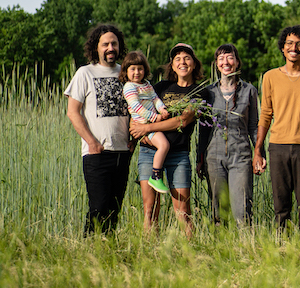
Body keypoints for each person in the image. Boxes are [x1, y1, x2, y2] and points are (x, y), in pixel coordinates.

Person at [253, 26, 300, 230]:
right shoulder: (270, 77)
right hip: (277, 147)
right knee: (281, 205)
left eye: (299, 44)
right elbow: (265, 114)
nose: (294, 47)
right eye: (289, 43)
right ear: (282, 48)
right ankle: (281, 248)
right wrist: (258, 149)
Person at [129, 43, 207, 237]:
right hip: (149, 152)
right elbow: (137, 105)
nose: (182, 62)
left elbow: (183, 120)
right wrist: (137, 129)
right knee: (150, 210)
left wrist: (147, 128)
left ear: (194, 64)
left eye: (187, 58)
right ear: (172, 66)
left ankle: (191, 255)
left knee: (183, 212)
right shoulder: (160, 87)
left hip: (178, 155)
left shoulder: (200, 92)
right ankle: (149, 253)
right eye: (177, 59)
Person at [65, 23, 132, 235]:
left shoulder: (127, 73)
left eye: (114, 43)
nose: (110, 48)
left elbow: (139, 108)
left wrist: (135, 139)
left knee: (114, 209)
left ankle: (108, 254)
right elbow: (73, 112)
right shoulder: (85, 73)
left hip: (123, 152)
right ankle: (88, 252)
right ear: (96, 47)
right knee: (98, 207)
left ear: (120, 46)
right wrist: (92, 143)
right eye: (105, 44)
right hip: (97, 153)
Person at [198, 44, 258, 226]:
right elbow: (203, 128)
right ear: (216, 64)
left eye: (230, 57)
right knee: (219, 211)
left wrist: (258, 153)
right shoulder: (207, 92)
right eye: (221, 58)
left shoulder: (249, 91)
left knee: (242, 210)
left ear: (237, 62)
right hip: (214, 157)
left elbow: (254, 126)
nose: (226, 62)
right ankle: (221, 249)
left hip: (241, 156)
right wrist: (200, 158)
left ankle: (246, 249)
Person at [120, 50, 171, 195]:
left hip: (151, 123)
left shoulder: (147, 85)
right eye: (133, 69)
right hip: (144, 124)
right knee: (164, 145)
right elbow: (136, 107)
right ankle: (155, 176)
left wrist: (162, 109)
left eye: (140, 68)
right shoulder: (129, 87)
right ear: (126, 71)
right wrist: (155, 118)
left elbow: (155, 99)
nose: (137, 72)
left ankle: (146, 174)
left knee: (160, 146)